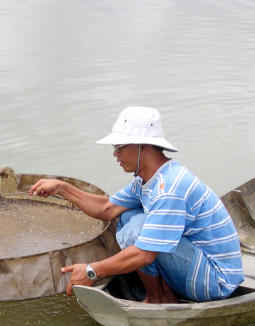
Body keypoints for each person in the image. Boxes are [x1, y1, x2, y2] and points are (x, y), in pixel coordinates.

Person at [29, 106, 244, 304]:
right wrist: (61, 188)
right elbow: (107, 209)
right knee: (126, 216)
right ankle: (164, 293)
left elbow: (144, 254)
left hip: (215, 281)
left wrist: (91, 271)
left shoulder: (168, 188)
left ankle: (156, 298)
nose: (115, 154)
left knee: (135, 230)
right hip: (198, 265)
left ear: (143, 147)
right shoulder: (146, 180)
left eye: (120, 146)